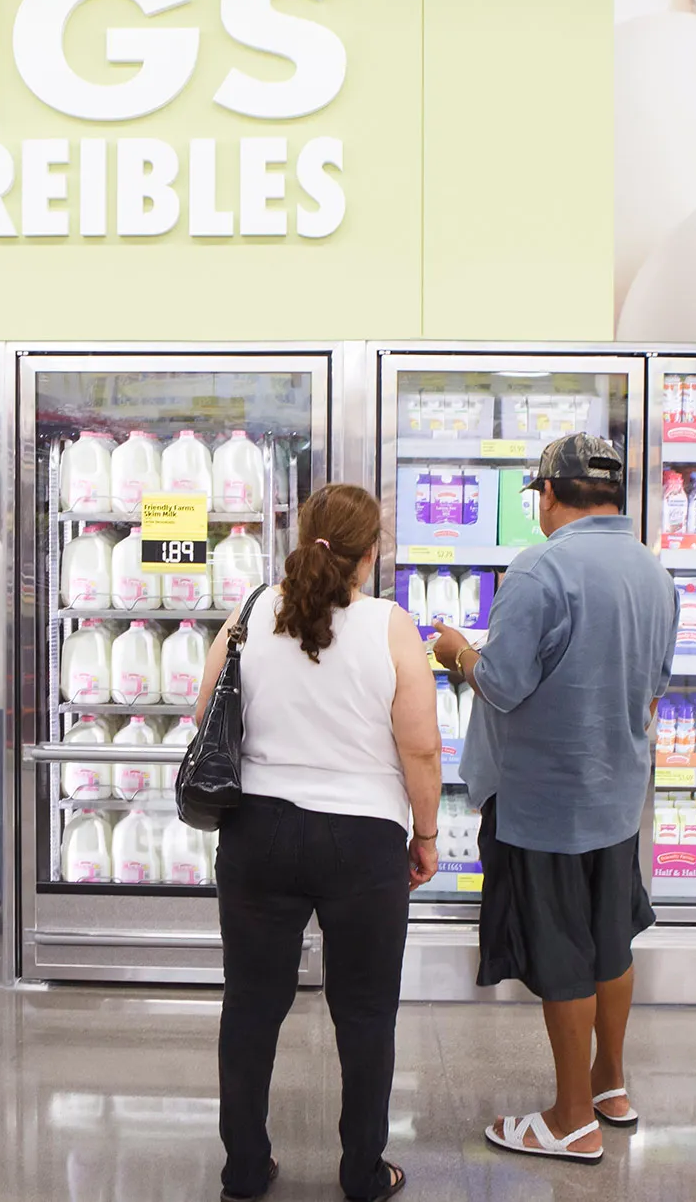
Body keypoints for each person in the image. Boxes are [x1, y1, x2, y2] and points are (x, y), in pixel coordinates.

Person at [430, 433, 676, 1165]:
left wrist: (457, 652)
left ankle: (571, 1118)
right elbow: (657, 681)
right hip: (615, 792)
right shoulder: (651, 569)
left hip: (545, 800)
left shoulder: (540, 567)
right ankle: (610, 1084)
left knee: (561, 951)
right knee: (611, 937)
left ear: (548, 493)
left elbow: (503, 682)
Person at [203, 483, 441, 1202]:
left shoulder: (248, 613)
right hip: (362, 840)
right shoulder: (391, 626)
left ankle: (245, 1168)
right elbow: (422, 749)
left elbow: (203, 712)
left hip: (258, 833)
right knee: (365, 1013)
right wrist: (425, 834)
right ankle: (363, 1172)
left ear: (305, 537)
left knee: (251, 1004)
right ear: (372, 554)